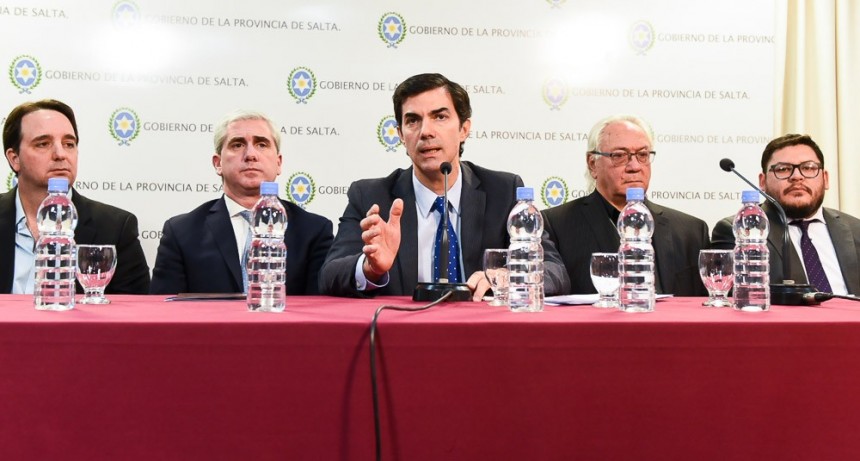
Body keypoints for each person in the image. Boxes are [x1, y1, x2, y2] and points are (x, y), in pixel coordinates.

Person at [319, 73, 569, 299]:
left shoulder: (503, 192)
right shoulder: (371, 196)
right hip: (402, 330)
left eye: (439, 117)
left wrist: (508, 277)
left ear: (464, 129)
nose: (425, 132)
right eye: (413, 120)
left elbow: (554, 271)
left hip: (481, 330)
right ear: (401, 135)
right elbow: (329, 275)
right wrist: (370, 269)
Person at [150, 110, 333, 295]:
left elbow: (322, 308)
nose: (250, 155)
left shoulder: (314, 231)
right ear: (218, 164)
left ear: (278, 163)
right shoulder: (181, 232)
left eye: (262, 144)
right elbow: (162, 308)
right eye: (237, 145)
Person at [542, 114, 709, 296]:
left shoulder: (691, 232)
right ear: (592, 164)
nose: (634, 166)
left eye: (642, 155)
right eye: (620, 156)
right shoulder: (555, 225)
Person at [1, 99, 150, 294]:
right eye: (43, 144)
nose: (60, 154)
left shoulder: (115, 228)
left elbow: (136, 308)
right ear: (14, 158)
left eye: (69, 144)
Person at [711, 134, 860, 295]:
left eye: (808, 168)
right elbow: (743, 299)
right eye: (783, 169)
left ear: (825, 179)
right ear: (762, 182)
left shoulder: (855, 229)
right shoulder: (740, 229)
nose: (797, 177)